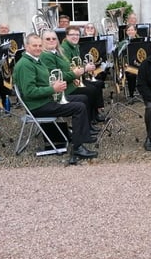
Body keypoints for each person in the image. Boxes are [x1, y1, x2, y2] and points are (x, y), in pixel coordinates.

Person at [13, 33, 98, 163]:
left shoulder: (35, 60)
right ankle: (78, 148)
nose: (38, 48)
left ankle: (81, 136)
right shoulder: (25, 64)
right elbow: (30, 92)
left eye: (39, 45)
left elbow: (42, 82)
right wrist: (53, 89)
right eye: (34, 45)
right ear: (26, 46)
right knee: (78, 108)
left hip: (46, 99)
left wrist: (53, 86)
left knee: (82, 98)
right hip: (38, 106)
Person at [39, 29, 105, 124]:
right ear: (42, 41)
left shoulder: (57, 52)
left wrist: (81, 69)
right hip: (63, 87)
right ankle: (90, 120)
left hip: (70, 82)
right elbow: (57, 75)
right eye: (48, 39)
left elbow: (68, 67)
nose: (51, 41)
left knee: (93, 88)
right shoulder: (46, 55)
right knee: (89, 91)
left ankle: (93, 117)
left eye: (54, 38)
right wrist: (77, 72)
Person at [116, 24, 140, 100]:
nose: (130, 32)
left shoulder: (141, 41)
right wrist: (124, 63)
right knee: (131, 75)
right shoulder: (123, 43)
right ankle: (131, 95)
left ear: (135, 31)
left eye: (132, 30)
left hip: (140, 64)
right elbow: (119, 56)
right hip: (128, 66)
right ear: (126, 32)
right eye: (128, 30)